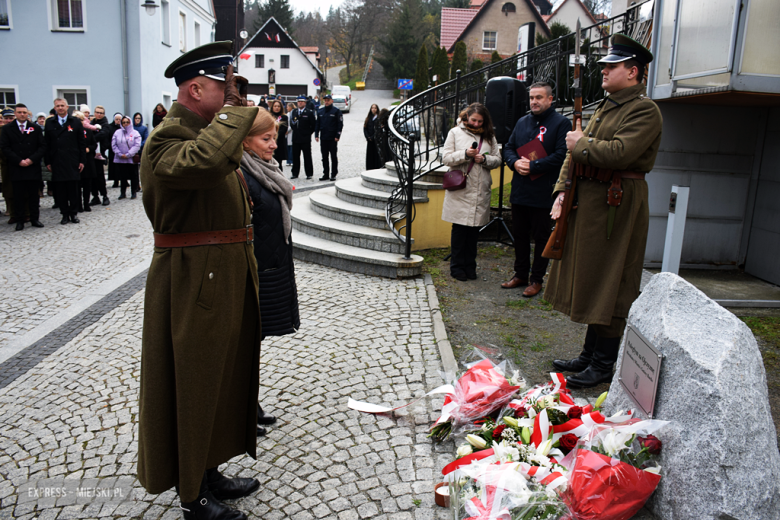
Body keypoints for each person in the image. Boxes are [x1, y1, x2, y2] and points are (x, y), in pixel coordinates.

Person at [137, 40, 261, 520]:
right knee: (192, 384)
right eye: (222, 85)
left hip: (218, 279)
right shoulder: (168, 139)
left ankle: (207, 470)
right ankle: (193, 495)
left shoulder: (205, 132)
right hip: (192, 282)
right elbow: (206, 162)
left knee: (217, 380)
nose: (232, 93)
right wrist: (235, 112)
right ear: (195, 88)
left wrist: (227, 109)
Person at [546, 35, 662, 389]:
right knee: (593, 277)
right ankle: (588, 354)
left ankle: (603, 364)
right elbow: (572, 155)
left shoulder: (644, 110)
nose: (604, 70)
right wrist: (562, 192)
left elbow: (619, 153)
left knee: (613, 281)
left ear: (633, 72)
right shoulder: (607, 105)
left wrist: (582, 144)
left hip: (618, 204)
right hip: (591, 201)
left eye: (612, 66)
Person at [238, 108, 299, 437]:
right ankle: (241, 411)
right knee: (244, 347)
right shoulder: (243, 176)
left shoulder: (264, 169)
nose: (274, 144)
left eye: (275, 137)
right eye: (266, 138)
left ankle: (250, 404)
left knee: (253, 345)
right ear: (245, 142)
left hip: (270, 270)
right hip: (254, 274)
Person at [502, 82, 571, 297]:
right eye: (532, 97)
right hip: (521, 189)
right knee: (520, 235)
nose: (534, 101)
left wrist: (533, 166)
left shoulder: (561, 123)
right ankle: (520, 273)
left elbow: (562, 155)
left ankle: (537, 279)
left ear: (550, 99)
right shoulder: (522, 122)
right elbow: (509, 148)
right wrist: (514, 163)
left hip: (544, 190)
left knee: (541, 237)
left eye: (539, 97)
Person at [441, 103, 501, 281]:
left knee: (474, 231)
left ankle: (470, 266)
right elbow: (446, 158)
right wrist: (465, 154)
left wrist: (484, 159)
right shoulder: (455, 133)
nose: (476, 124)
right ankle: (457, 267)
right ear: (467, 117)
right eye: (473, 120)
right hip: (461, 189)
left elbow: (498, 160)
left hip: (480, 189)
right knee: (459, 230)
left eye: (480, 121)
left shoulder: (489, 136)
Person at [0, 104, 45, 230]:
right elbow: (5, 148)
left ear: (27, 114)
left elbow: (42, 146)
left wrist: (31, 160)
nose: (22, 114)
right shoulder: (8, 129)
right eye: (19, 112)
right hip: (16, 167)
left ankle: (34, 218)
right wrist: (19, 160)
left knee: (33, 196)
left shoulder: (35, 128)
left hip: (32, 166)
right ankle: (20, 220)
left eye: (24, 112)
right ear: (15, 113)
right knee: (18, 195)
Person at [44, 98, 86, 225]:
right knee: (60, 190)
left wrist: (82, 160)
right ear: (55, 108)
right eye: (58, 106)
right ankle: (64, 214)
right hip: (57, 161)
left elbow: (81, 143)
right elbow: (47, 144)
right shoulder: (50, 123)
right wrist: (48, 161)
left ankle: (73, 213)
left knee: (73, 190)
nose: (60, 108)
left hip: (72, 160)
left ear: (67, 107)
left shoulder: (75, 122)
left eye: (62, 105)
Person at [71, 111, 97, 213]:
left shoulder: (88, 131)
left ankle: (86, 204)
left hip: (88, 161)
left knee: (87, 185)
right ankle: (78, 205)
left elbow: (94, 144)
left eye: (81, 119)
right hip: (76, 161)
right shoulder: (71, 132)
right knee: (77, 186)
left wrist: (88, 149)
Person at [111, 115, 141, 199]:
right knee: (122, 176)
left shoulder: (135, 133)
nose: (125, 124)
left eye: (127, 122)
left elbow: (137, 145)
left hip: (131, 158)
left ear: (130, 122)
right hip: (120, 158)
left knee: (133, 176)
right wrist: (120, 154)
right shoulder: (117, 132)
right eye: (123, 122)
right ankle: (122, 193)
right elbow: (114, 145)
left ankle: (133, 192)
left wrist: (128, 154)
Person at [315, 93, 343, 181]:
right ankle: (325, 173)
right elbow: (317, 124)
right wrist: (316, 135)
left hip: (332, 138)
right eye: (325, 100)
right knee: (324, 157)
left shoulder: (336, 111)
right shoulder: (320, 111)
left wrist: (338, 135)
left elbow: (340, 124)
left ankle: (333, 173)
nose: (326, 102)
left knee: (333, 156)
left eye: (328, 100)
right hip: (323, 137)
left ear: (332, 101)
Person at [289, 94, 316, 180]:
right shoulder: (294, 112)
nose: (300, 103)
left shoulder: (309, 112)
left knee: (307, 156)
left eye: (301, 102)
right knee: (295, 157)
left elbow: (313, 125)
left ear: (305, 103)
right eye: (298, 102)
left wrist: (307, 133)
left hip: (305, 138)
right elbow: (292, 124)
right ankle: (295, 173)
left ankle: (309, 173)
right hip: (296, 138)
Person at [90, 105, 110, 206]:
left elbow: (103, 135)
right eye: (97, 112)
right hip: (91, 153)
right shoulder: (91, 123)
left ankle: (104, 195)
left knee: (99, 176)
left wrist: (91, 139)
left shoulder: (105, 124)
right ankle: (95, 196)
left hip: (99, 153)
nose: (98, 114)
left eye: (100, 113)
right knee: (92, 176)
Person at [268, 99, 288, 172]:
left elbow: (284, 129)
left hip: (280, 142)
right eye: (275, 106)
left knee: (279, 162)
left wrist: (275, 136)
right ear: (272, 107)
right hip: (269, 142)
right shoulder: (268, 116)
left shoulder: (284, 117)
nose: (277, 107)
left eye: (278, 106)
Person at [364, 104, 382, 170]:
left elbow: (378, 130)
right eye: (372, 108)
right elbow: (365, 128)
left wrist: (373, 137)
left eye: (375, 108)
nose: (373, 109)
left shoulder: (378, 118)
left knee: (376, 154)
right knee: (370, 155)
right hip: (369, 140)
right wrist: (367, 136)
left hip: (375, 140)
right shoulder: (368, 118)